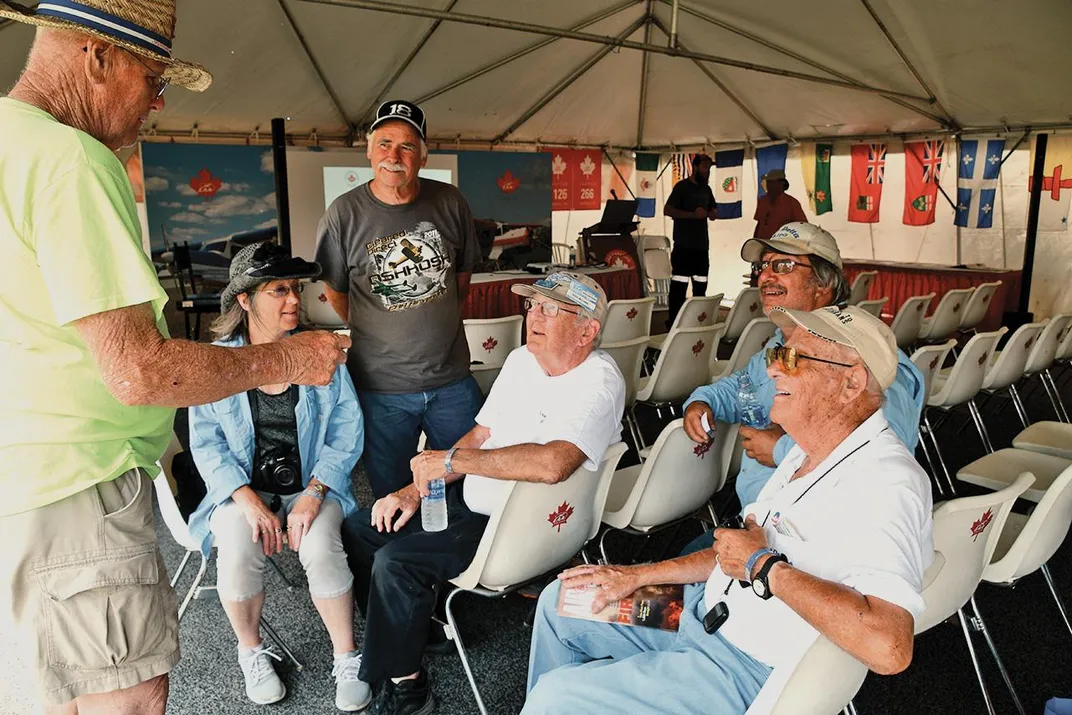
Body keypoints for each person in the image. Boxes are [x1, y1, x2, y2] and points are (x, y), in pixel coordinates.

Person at [0, 3, 349, 713]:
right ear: (97, 58)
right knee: (125, 697)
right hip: (79, 490)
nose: (158, 100)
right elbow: (140, 371)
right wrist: (284, 362)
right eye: (152, 75)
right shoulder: (70, 159)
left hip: (22, 484)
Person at [524, 306, 934, 715]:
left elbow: (890, 647)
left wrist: (763, 565)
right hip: (699, 614)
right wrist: (634, 575)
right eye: (777, 355)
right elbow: (735, 554)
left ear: (851, 383)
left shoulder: (885, 484)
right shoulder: (808, 453)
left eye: (793, 359)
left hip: (740, 666)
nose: (774, 371)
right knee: (566, 599)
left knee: (556, 699)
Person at [342, 272, 626, 715]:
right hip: (475, 499)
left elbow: (554, 464)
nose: (534, 315)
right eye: (532, 305)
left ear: (588, 330)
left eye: (551, 308)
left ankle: (408, 685)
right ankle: (422, 627)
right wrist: (413, 491)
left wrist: (450, 463)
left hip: (520, 526)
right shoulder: (520, 361)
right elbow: (481, 434)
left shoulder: (598, 382)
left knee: (396, 562)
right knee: (363, 526)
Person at [187, 243, 369, 710]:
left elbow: (347, 430)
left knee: (321, 543)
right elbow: (207, 445)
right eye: (278, 291)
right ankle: (251, 651)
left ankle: (347, 657)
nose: (293, 300)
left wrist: (315, 492)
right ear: (244, 300)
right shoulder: (217, 363)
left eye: (295, 289)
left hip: (313, 485)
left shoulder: (319, 353)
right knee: (236, 542)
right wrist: (246, 500)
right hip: (241, 490)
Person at [684, 222, 925, 512]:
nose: (765, 277)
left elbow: (886, 454)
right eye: (764, 265)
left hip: (818, 534)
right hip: (763, 520)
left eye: (784, 265)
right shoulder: (778, 345)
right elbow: (743, 385)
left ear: (824, 284)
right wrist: (703, 400)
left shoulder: (865, 356)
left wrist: (781, 451)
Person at [315, 99, 484, 502]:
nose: (394, 155)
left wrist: (432, 319)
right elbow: (336, 292)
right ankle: (398, 562)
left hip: (452, 380)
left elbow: (461, 276)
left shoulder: (451, 202)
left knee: (475, 480)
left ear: (423, 156)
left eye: (407, 146)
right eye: (385, 143)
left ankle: (463, 557)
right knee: (392, 491)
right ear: (369, 150)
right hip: (381, 386)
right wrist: (377, 326)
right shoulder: (343, 214)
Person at [663, 153, 718, 327]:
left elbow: (713, 210)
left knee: (700, 287)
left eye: (709, 168)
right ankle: (674, 323)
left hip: (701, 248)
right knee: (679, 287)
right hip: (683, 247)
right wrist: (691, 215)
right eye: (704, 167)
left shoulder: (706, 190)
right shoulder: (682, 187)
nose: (707, 171)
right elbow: (668, 210)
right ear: (694, 167)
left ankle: (698, 322)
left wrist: (712, 213)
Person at [753, 169, 807, 240]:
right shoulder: (763, 200)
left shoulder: (792, 203)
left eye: (772, 183)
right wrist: (755, 241)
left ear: (781, 184)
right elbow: (759, 224)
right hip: (763, 244)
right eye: (768, 183)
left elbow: (802, 227)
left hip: (781, 246)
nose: (769, 185)